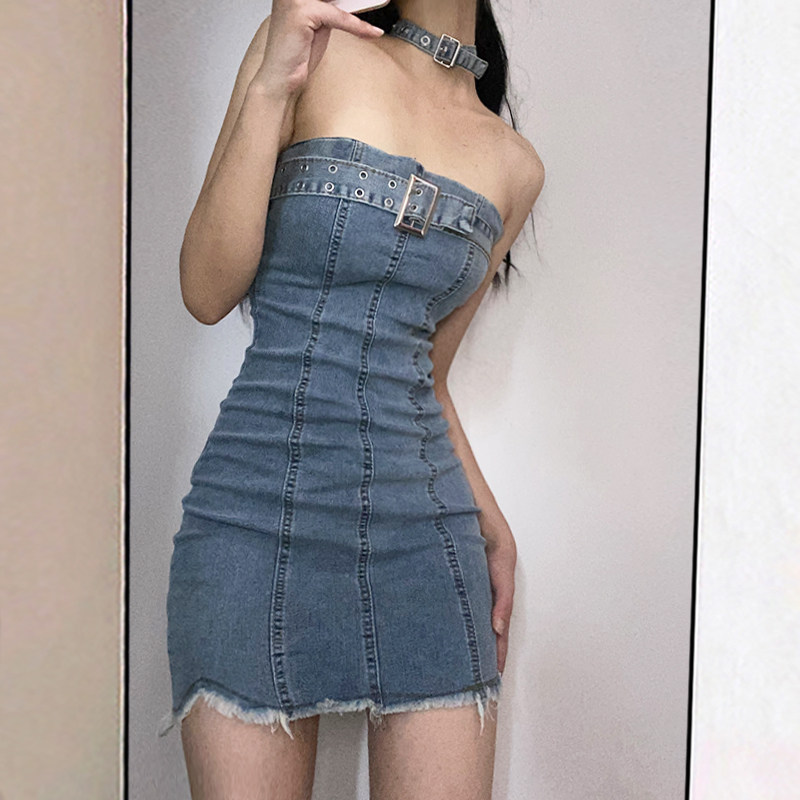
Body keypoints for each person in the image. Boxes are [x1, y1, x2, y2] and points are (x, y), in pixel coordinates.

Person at [159, 0, 544, 796]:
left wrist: (490, 519)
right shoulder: (308, 46)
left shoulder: (516, 165)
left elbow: (427, 376)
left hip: (425, 543)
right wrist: (272, 82)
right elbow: (205, 288)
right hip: (253, 522)